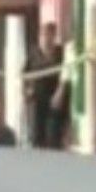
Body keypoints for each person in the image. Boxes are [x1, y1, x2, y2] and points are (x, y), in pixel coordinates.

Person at [27, 20, 70, 149]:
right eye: (43, 35)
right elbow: (25, 74)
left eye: (49, 35)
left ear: (54, 36)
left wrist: (60, 92)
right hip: (37, 102)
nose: (46, 39)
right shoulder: (34, 54)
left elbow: (67, 75)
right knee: (36, 138)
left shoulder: (61, 54)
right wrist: (27, 90)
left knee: (53, 137)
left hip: (55, 101)